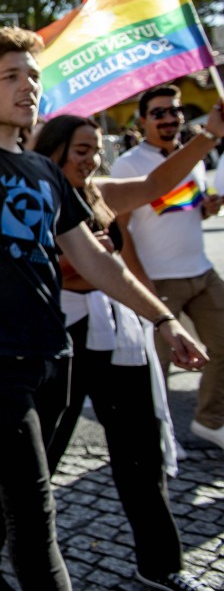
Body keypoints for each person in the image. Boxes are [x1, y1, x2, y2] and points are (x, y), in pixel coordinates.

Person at [0, 0, 206, 591]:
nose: (28, 85)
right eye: (12, 76)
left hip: (54, 355)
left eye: (33, 76)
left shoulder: (45, 170)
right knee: (38, 513)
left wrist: (166, 319)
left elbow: (94, 258)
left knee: (18, 481)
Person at [30, 110, 224, 591]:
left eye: (97, 150)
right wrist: (76, 260)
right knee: (35, 460)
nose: (92, 159)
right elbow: (32, 271)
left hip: (119, 336)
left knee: (141, 453)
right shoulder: (32, 199)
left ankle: (161, 566)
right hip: (62, 339)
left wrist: (211, 134)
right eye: (81, 150)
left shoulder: (101, 193)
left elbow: (161, 179)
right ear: (52, 152)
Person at [112, 85, 224, 453]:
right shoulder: (129, 163)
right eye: (158, 113)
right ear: (142, 120)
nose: (169, 118)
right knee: (155, 368)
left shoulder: (192, 158)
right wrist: (139, 283)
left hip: (201, 271)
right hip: (158, 280)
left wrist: (206, 205)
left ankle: (209, 421)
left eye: (174, 111)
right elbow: (120, 228)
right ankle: (152, 440)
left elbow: (185, 206)